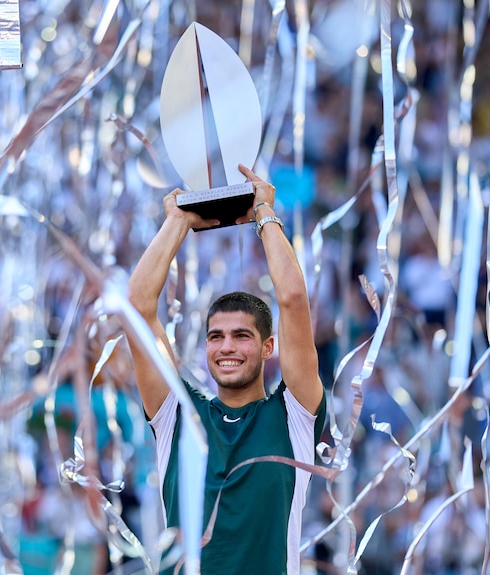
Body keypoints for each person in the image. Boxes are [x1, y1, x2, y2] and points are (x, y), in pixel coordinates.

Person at [125, 164, 327, 575]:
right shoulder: (178, 415)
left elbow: (291, 299)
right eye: (216, 337)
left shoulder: (293, 416)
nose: (226, 347)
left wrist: (264, 214)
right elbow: (137, 309)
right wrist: (177, 222)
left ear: (269, 347)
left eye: (241, 336)